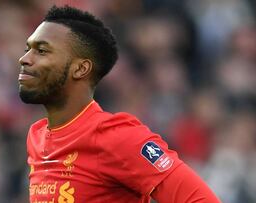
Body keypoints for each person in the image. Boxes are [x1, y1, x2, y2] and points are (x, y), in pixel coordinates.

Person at [18, 5, 221, 203]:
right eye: (28, 49)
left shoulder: (115, 137)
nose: (25, 59)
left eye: (42, 51)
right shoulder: (37, 137)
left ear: (80, 69)